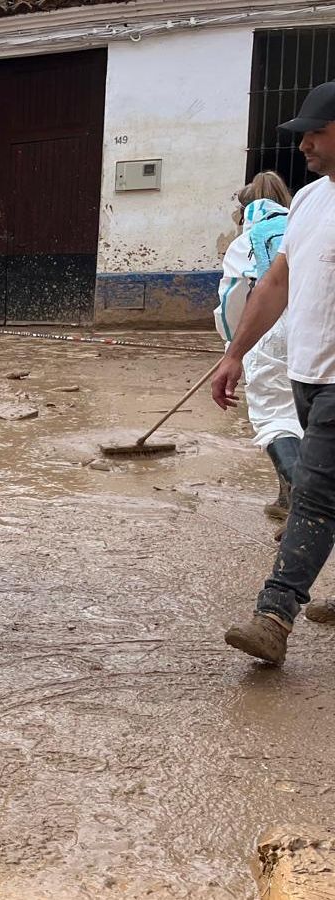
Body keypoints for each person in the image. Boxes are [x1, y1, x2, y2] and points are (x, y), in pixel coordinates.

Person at [215, 81, 335, 664]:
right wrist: (236, 352)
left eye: (316, 130)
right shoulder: (310, 200)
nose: (305, 143)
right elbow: (276, 283)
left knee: (313, 494)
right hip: (307, 373)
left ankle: (274, 615)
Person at [216, 171, 298, 521]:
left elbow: (232, 301)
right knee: (309, 414)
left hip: (271, 333)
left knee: (275, 415)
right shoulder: (305, 223)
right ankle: (288, 498)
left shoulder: (247, 240)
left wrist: (232, 349)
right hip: (320, 328)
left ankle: (308, 503)